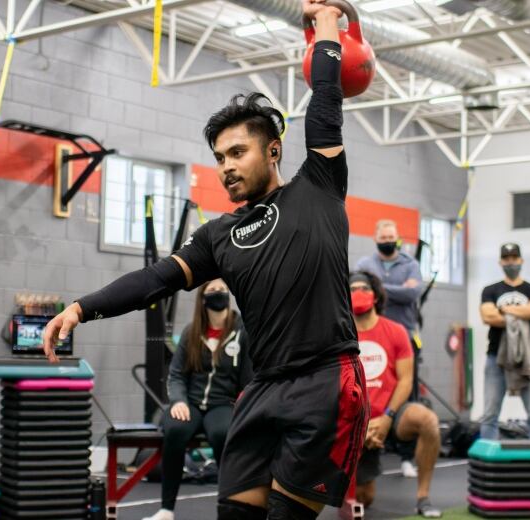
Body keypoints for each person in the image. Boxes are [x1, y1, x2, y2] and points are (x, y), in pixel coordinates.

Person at [42, 2, 368, 518]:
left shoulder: (320, 187)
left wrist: (326, 25)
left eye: (238, 152)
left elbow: (326, 99)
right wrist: (80, 309)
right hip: (261, 388)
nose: (227, 167)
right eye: (219, 158)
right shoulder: (220, 236)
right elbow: (156, 279)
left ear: (275, 150)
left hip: (324, 384)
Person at [144, 279, 252, 520]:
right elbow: (176, 375)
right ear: (203, 298)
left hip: (222, 403)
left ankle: (228, 508)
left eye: (222, 289)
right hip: (190, 403)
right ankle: (166, 509)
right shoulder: (191, 332)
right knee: (174, 429)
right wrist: (179, 401)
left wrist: (242, 407)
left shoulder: (242, 332)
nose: (218, 293)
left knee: (222, 434)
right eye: (212, 290)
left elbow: (248, 378)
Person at [349, 271, 442, 518]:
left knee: (428, 421)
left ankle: (423, 498)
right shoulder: (340, 335)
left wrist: (388, 416)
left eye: (365, 288)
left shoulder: (396, 331)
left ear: (376, 295)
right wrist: (361, 424)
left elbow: (406, 380)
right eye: (353, 288)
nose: (359, 293)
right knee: (363, 500)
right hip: (356, 419)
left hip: (392, 412)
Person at [356, 219, 422, 478]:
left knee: (408, 398)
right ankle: (366, 447)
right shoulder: (364, 264)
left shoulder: (411, 265)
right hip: (369, 338)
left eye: (391, 236)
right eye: (383, 237)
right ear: (375, 239)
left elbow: (413, 294)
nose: (387, 240)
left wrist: (378, 289)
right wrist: (397, 289)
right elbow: (355, 291)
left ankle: (407, 457)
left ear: (398, 238)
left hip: (403, 337)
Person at [479, 243, 530, 440]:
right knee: (490, 414)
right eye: (507, 259)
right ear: (501, 262)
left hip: (527, 358)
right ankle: (486, 461)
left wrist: (504, 310)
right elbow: (488, 316)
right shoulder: (490, 290)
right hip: (495, 357)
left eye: (514, 258)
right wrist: (521, 313)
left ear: (521, 260)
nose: (511, 262)